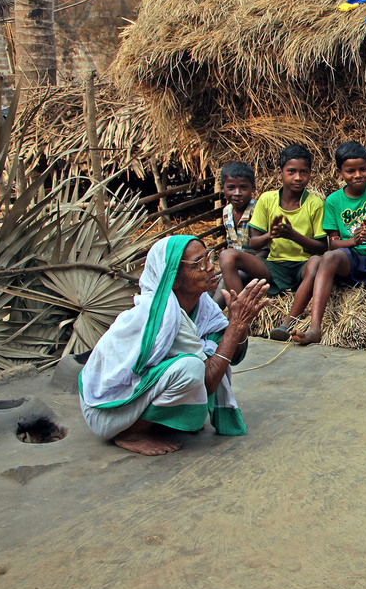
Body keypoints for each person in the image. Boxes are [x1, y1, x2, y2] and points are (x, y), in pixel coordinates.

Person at [78, 236, 269, 455]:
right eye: (199, 263)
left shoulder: (203, 305)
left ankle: (156, 422)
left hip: (133, 400)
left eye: (209, 257)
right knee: (191, 368)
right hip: (108, 412)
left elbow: (230, 353)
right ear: (174, 280)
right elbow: (207, 380)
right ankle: (130, 434)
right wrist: (236, 325)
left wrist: (240, 325)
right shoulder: (165, 315)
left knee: (211, 346)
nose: (210, 267)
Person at [292, 140, 366, 349]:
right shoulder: (333, 201)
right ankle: (315, 329)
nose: (357, 175)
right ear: (340, 173)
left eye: (362, 169)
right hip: (351, 257)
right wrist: (353, 241)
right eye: (350, 171)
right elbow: (333, 244)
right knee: (327, 258)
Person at [220, 144, 328, 341]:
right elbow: (254, 243)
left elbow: (322, 247)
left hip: (301, 267)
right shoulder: (267, 199)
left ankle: (286, 324)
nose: (298, 177)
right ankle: (239, 320)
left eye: (303, 172)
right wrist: (272, 235)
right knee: (227, 256)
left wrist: (292, 235)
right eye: (291, 172)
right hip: (273, 265)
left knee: (317, 262)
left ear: (310, 174)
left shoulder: (315, 204)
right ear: (280, 173)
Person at [214, 161, 261, 306]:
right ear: (223, 189)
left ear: (253, 187)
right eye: (231, 188)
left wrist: (241, 265)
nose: (237, 193)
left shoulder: (258, 210)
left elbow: (266, 250)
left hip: (256, 265)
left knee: (225, 283)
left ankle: (221, 314)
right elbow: (231, 246)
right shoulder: (227, 212)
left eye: (243, 187)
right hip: (234, 264)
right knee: (209, 284)